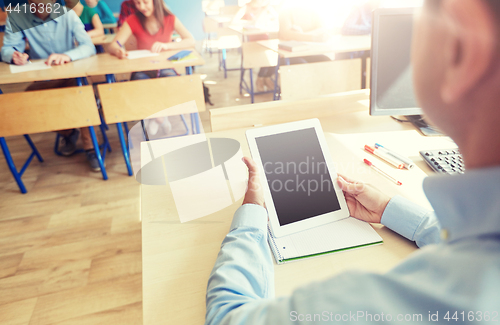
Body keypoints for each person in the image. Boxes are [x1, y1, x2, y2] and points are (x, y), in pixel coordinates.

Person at [204, 0, 500, 323]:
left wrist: (251, 217)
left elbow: (229, 317)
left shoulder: (381, 304)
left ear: (461, 48)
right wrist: (391, 208)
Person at [1, 0, 101, 171]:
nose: (39, 8)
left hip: (72, 76)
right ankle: (68, 132)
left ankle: (90, 147)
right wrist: (13, 55)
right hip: (43, 79)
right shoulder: (17, 17)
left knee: (83, 97)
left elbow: (88, 46)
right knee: (26, 103)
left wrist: (67, 56)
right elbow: (6, 48)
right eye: (34, 3)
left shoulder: (67, 14)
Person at [108, 0, 195, 135]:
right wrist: (118, 50)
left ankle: (156, 116)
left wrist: (167, 46)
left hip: (165, 67)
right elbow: (114, 44)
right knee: (140, 84)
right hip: (143, 69)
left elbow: (191, 40)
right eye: (137, 3)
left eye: (145, 2)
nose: (141, 7)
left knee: (170, 82)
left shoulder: (170, 18)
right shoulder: (133, 19)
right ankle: (160, 117)